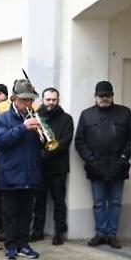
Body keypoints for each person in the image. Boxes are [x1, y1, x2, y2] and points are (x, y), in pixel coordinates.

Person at [74, 80, 131, 249]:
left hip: (118, 165)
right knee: (99, 202)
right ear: (95, 97)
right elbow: (79, 141)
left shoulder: (124, 113)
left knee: (115, 202)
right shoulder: (87, 115)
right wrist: (90, 159)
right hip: (96, 166)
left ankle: (112, 234)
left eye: (107, 95)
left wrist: (124, 157)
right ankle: (101, 233)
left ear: (112, 96)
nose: (104, 98)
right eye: (101, 96)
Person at [0, 79, 43, 260]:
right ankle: (11, 245)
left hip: (30, 173)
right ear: (14, 99)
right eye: (24, 100)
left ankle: (24, 244)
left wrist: (42, 136)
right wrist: (23, 128)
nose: (28, 104)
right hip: (11, 174)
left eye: (30, 100)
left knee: (26, 212)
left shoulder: (36, 117)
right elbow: (0, 142)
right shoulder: (2, 118)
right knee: (10, 213)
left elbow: (44, 146)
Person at [31, 87, 74, 246]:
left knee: (58, 201)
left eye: (54, 100)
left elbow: (65, 142)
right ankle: (37, 231)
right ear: (42, 100)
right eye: (48, 99)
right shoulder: (36, 118)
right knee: (39, 201)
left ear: (58, 100)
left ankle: (59, 233)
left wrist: (47, 153)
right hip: (39, 166)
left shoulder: (67, 119)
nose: (51, 102)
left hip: (58, 167)